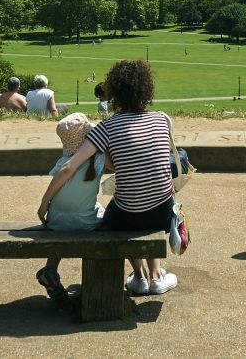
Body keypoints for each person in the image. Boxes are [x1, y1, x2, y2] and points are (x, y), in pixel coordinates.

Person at [38, 59, 178, 296]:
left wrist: (44, 203)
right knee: (161, 180)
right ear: (146, 89)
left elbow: (70, 166)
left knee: (122, 208)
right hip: (163, 214)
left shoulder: (107, 127)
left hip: (129, 216)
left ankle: (140, 277)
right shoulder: (161, 120)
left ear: (113, 92)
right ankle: (156, 276)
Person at [34, 113, 107, 302]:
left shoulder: (62, 163)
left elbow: (61, 180)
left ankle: (50, 269)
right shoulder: (98, 159)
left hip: (57, 221)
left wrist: (44, 204)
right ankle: (98, 279)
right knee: (103, 214)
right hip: (86, 222)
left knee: (63, 220)